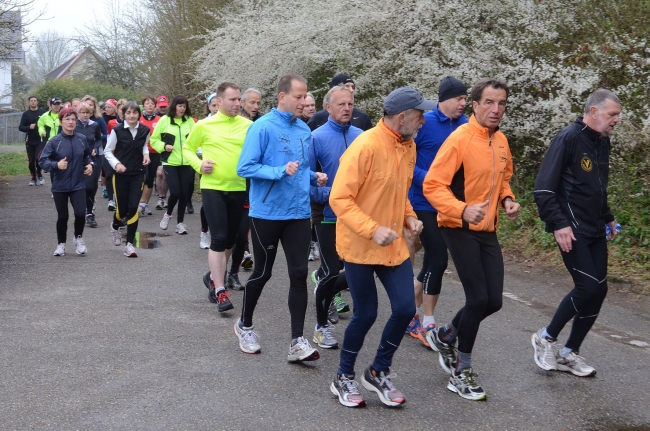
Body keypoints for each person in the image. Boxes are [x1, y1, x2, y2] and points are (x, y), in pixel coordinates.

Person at [327, 87, 428, 408]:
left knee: (405, 308)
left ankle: (378, 371)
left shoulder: (408, 146)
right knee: (366, 313)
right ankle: (343, 376)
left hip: (392, 244)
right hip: (359, 244)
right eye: (420, 114)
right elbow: (339, 198)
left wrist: (409, 218)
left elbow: (399, 194)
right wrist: (373, 229)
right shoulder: (365, 146)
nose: (424, 120)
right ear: (403, 118)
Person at [423, 78, 520, 401]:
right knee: (478, 298)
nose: (496, 109)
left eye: (502, 103)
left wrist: (507, 199)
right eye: (489, 103)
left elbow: (503, 178)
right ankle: (461, 370)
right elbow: (433, 185)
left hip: (487, 229)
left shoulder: (501, 141)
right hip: (456, 225)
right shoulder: (459, 139)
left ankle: (445, 334)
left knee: (494, 301)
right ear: (475, 105)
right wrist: (462, 210)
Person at [234, 74, 327, 361]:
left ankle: (297, 342)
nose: (303, 102)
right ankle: (245, 325)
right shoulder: (261, 127)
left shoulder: (303, 129)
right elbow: (245, 167)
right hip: (267, 213)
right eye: (298, 97)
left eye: (305, 96)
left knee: (299, 274)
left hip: (298, 213)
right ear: (282, 97)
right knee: (263, 273)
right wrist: (277, 171)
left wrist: (314, 177)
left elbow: (298, 168)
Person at [531, 89, 621, 377]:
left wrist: (608, 218)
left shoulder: (602, 143)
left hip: (594, 228)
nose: (616, 120)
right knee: (587, 288)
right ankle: (545, 337)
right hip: (571, 228)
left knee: (600, 289)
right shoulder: (568, 138)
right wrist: (558, 224)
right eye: (612, 114)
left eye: (617, 115)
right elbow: (543, 189)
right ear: (593, 112)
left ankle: (570, 353)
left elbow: (596, 187)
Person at [405, 76, 469, 346]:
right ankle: (427, 321)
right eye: (459, 99)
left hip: (449, 204)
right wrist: (431, 181)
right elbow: (407, 161)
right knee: (438, 258)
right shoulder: (426, 123)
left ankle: (409, 307)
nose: (464, 104)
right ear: (444, 100)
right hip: (421, 201)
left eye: (466, 99)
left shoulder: (466, 126)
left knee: (435, 260)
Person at [184, 82, 252, 311]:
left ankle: (214, 277)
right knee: (219, 238)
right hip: (213, 187)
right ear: (219, 101)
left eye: (239, 99)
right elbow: (187, 149)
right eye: (232, 99)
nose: (237, 103)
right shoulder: (204, 125)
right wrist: (199, 164)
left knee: (231, 240)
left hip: (239, 188)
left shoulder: (248, 125)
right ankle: (221, 290)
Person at [308, 84, 363, 349]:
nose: (346, 108)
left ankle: (323, 286)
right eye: (341, 104)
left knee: (357, 270)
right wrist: (331, 194)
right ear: (327, 107)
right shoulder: (316, 137)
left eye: (350, 104)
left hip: (357, 216)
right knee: (332, 270)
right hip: (328, 214)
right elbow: (305, 183)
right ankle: (321, 328)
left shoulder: (362, 136)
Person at [38, 108, 94, 256]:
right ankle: (61, 244)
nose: (70, 122)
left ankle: (78, 237)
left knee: (81, 214)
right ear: (61, 122)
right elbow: (42, 161)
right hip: (60, 185)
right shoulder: (55, 141)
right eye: (67, 119)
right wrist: (56, 165)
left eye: (73, 120)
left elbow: (87, 156)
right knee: (63, 217)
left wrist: (89, 165)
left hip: (78, 184)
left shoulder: (81, 139)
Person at [104, 102, 151, 257]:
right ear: (123, 115)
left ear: (139, 114)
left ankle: (130, 244)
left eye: (135, 113)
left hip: (138, 173)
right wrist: (117, 164)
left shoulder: (145, 130)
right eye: (128, 113)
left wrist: (146, 155)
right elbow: (108, 151)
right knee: (122, 210)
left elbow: (144, 146)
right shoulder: (117, 131)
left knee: (133, 208)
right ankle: (115, 226)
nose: (132, 116)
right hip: (121, 175)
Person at [150, 95, 195, 234]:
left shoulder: (189, 122)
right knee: (175, 192)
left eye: (184, 106)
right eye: (180, 106)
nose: (182, 109)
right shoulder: (165, 121)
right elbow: (154, 140)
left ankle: (180, 223)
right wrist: (164, 146)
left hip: (187, 162)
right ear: (174, 106)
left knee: (184, 194)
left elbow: (196, 139)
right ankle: (168, 214)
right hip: (170, 162)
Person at [307, 74, 373, 132]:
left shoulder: (362, 117)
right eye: (347, 86)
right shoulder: (318, 118)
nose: (351, 90)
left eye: (353, 87)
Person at [75, 103, 103, 228]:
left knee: (90, 187)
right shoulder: (74, 124)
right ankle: (80, 212)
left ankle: (90, 213)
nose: (85, 115)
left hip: (91, 159)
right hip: (76, 160)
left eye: (87, 112)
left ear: (91, 113)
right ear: (78, 113)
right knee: (79, 188)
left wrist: (95, 148)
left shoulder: (94, 125)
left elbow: (98, 139)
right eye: (82, 112)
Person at [80, 95, 109, 200]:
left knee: (93, 181)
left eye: (91, 105)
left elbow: (106, 134)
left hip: (97, 152)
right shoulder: (77, 121)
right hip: (81, 154)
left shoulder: (98, 120)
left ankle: (91, 199)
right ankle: (84, 201)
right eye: (86, 104)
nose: (88, 107)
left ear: (94, 107)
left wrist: (96, 140)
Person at [138, 96, 162, 217]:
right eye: (147, 103)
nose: (150, 105)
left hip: (155, 152)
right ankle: (139, 202)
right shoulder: (138, 118)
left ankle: (144, 204)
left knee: (150, 178)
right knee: (143, 178)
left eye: (152, 103)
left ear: (155, 106)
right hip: (141, 152)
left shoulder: (160, 119)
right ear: (144, 105)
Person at [18, 95, 47, 186]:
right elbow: (21, 127)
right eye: (31, 101)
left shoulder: (42, 112)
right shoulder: (26, 114)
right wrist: (29, 127)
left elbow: (47, 123)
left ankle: (40, 174)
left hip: (40, 140)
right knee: (31, 160)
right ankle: (33, 178)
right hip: (29, 140)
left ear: (37, 102)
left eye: (35, 100)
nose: (33, 102)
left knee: (38, 158)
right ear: (29, 102)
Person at [154, 95, 170, 210]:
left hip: (168, 148)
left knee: (164, 174)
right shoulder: (154, 118)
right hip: (156, 149)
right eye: (161, 106)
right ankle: (160, 197)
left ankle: (163, 197)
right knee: (159, 173)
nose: (163, 108)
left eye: (165, 106)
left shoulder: (172, 117)